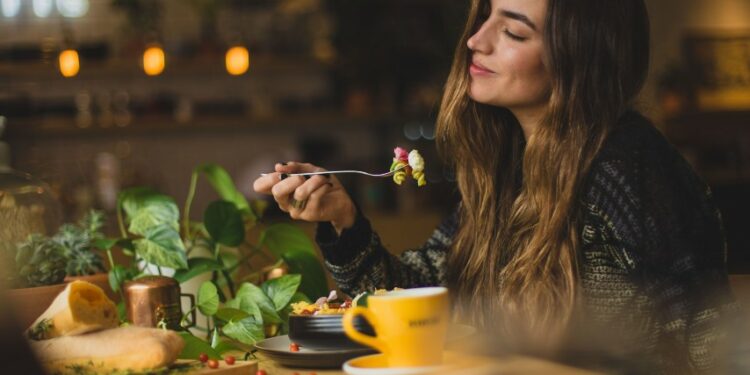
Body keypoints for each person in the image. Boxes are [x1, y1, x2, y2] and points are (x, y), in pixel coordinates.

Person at [254, 0, 738, 372]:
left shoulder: (624, 169)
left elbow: (667, 351)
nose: (475, 41)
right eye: (483, 15)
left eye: (512, 31)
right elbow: (417, 301)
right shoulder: (511, 169)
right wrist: (344, 220)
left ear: (579, 57)